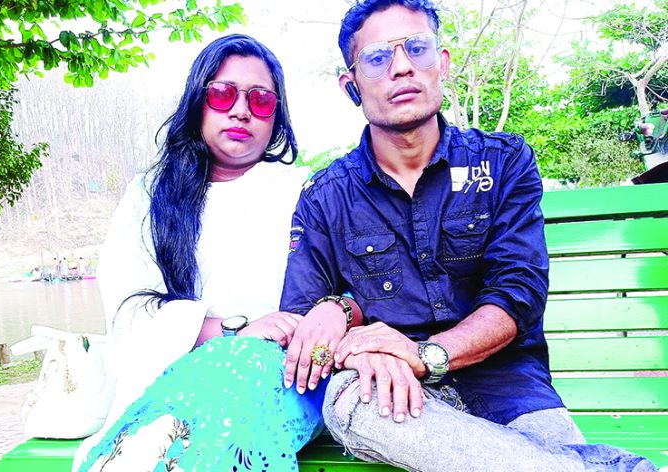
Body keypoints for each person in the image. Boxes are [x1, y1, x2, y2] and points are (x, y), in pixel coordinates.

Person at [280, 1, 656, 471]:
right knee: (350, 403)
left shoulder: (503, 162)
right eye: (377, 57)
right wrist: (353, 341)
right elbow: (303, 322)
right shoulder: (325, 196)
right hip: (394, 390)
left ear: (442, 63)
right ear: (351, 85)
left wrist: (426, 354)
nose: (402, 67)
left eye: (417, 48)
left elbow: (517, 292)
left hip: (508, 383)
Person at [72, 34, 360, 472]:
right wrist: (233, 331)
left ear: (277, 116)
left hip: (287, 379)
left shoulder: (308, 191)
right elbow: (128, 312)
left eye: (261, 100)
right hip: (171, 377)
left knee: (235, 386)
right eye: (224, 94)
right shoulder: (149, 196)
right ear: (198, 101)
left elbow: (361, 290)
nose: (241, 110)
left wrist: (334, 312)